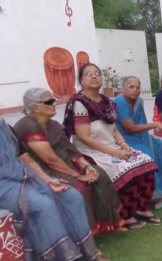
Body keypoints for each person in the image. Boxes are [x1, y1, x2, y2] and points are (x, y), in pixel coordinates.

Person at [0, 118, 109, 261]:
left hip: (24, 176)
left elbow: (25, 158)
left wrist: (47, 180)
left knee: (71, 196)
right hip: (3, 185)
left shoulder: (4, 127)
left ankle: (87, 253)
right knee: (43, 205)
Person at [13, 88, 124, 235]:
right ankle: (84, 235)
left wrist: (87, 167)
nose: (54, 103)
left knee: (100, 175)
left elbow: (71, 150)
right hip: (42, 171)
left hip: (63, 164)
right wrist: (79, 176)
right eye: (49, 101)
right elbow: (50, 160)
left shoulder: (53, 125)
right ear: (35, 107)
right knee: (78, 189)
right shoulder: (27, 126)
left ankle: (108, 223)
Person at [63, 63, 160, 229]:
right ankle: (125, 215)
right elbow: (84, 137)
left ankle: (142, 208)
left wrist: (123, 145)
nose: (94, 76)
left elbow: (114, 128)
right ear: (81, 81)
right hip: (91, 152)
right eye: (88, 74)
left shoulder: (106, 101)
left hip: (112, 147)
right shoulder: (80, 103)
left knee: (146, 162)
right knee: (125, 171)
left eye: (97, 73)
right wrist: (114, 152)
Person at [113, 76, 162, 200]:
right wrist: (155, 124)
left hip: (142, 135)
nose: (135, 90)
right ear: (123, 88)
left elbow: (142, 121)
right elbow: (130, 128)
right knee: (146, 155)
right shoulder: (119, 101)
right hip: (126, 139)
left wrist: (154, 129)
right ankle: (153, 194)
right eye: (131, 87)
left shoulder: (139, 100)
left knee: (160, 147)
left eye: (137, 87)